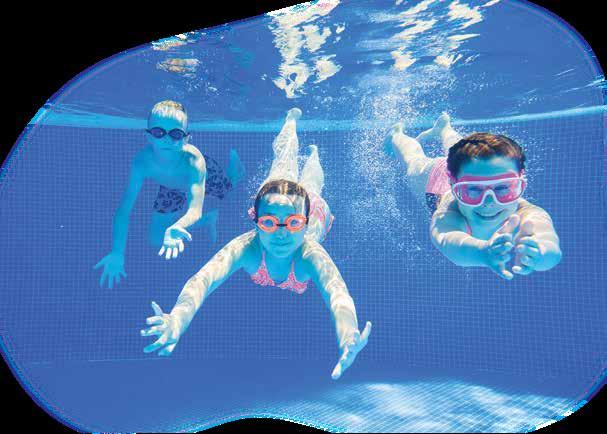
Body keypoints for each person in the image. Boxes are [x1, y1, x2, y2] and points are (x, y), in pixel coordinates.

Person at [140, 108, 372, 380]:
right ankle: (291, 121)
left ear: (304, 223)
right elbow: (202, 280)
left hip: (313, 208)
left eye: (293, 224)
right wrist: (177, 320)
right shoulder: (247, 248)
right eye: (270, 223)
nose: (282, 234)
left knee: (312, 185)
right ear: (255, 220)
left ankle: (314, 155)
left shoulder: (310, 254)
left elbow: (338, 294)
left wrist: (348, 335)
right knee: (282, 163)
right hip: (280, 199)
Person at [384, 112, 562, 280]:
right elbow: (448, 240)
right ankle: (397, 134)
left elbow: (549, 244)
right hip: (434, 180)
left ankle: (444, 129)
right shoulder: (450, 211)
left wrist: (540, 253)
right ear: (453, 187)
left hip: (466, 171)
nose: (489, 203)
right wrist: (482, 253)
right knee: (413, 160)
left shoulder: (528, 213)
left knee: (463, 154)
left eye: (502, 188)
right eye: (474, 190)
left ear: (520, 184)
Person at [95, 100, 245, 289]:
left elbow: (194, 209)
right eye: (159, 132)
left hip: (203, 177)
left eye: (175, 134)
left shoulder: (194, 162)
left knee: (229, 192)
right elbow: (124, 210)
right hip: (171, 187)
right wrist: (117, 252)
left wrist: (178, 225)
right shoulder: (142, 162)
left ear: (186, 138)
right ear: (149, 136)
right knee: (156, 239)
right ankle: (208, 220)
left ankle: (234, 171)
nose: (166, 139)